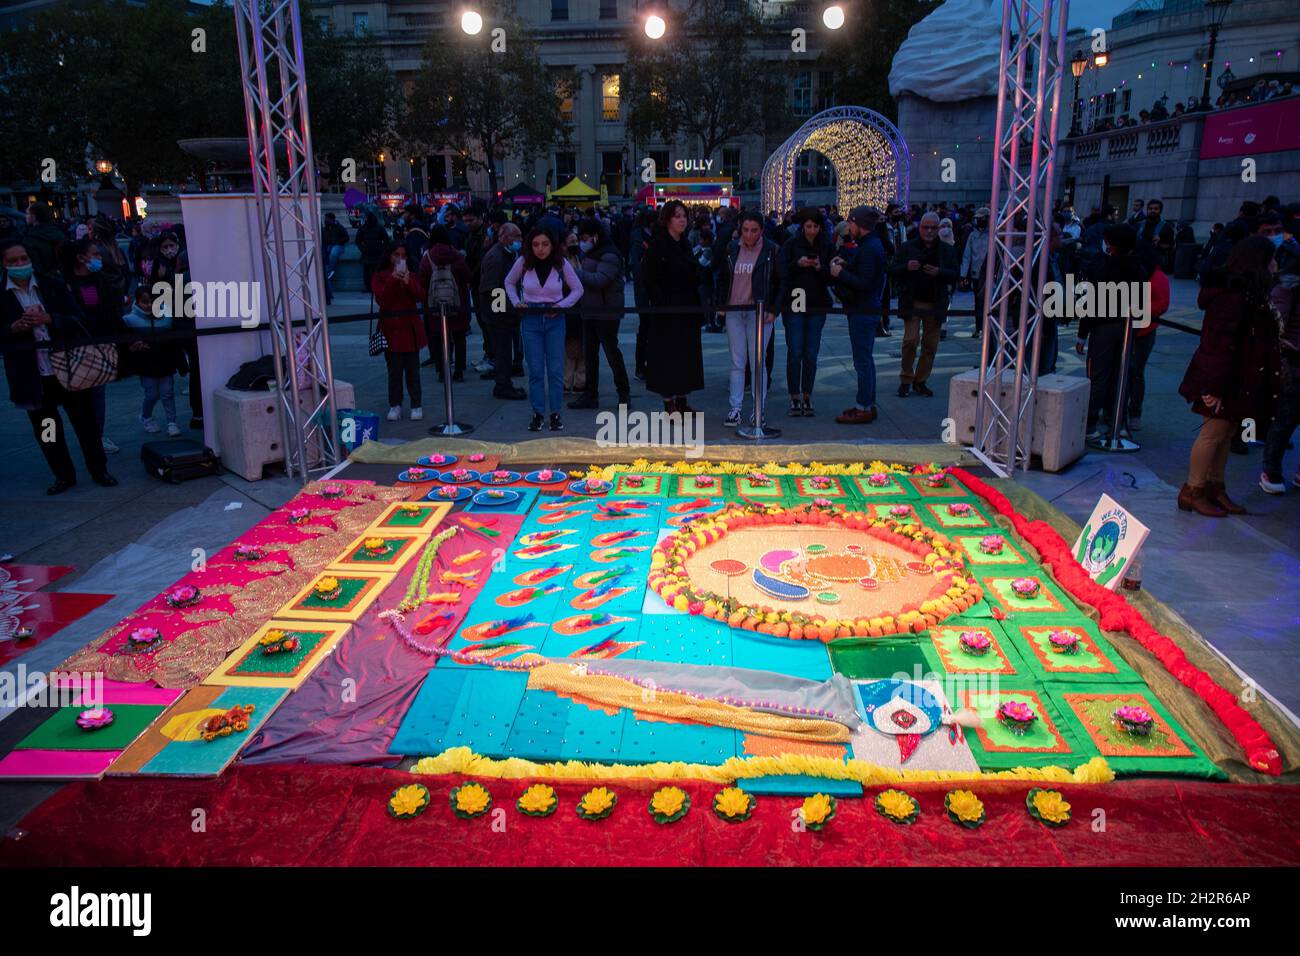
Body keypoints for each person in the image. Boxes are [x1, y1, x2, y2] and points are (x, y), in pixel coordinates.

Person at [1, 239, 117, 493]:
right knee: (47, 429)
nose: (20, 264)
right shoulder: (3, 295)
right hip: (33, 375)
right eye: (13, 261)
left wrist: (50, 318)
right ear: (4, 264)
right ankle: (63, 474)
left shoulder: (50, 285)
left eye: (23, 259)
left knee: (85, 423)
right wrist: (14, 328)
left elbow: (78, 319)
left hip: (68, 367)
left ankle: (99, 469)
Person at [1178, 235, 1282, 515]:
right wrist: (1214, 388)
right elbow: (1218, 343)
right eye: (1272, 258)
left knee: (1227, 431)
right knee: (1214, 432)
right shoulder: (1232, 296)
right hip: (1224, 378)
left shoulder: (1248, 292)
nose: (1276, 264)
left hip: (1239, 377)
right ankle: (1194, 489)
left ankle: (1214, 486)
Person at [503, 227, 584, 431]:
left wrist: (561, 305)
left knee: (556, 371)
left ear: (552, 245)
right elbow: (509, 282)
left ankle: (555, 413)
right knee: (536, 371)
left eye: (545, 244)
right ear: (530, 246)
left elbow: (578, 289)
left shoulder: (561, 263)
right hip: (531, 319)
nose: (540, 249)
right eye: (536, 244)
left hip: (555, 319)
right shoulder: (523, 262)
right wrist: (516, 301)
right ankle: (538, 414)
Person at [1077, 224, 1145, 440]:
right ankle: (1117, 421)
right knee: (1120, 376)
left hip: (1103, 327)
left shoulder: (1103, 267)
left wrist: (1082, 333)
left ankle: (1089, 425)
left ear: (1113, 244)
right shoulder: (1138, 268)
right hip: (1126, 327)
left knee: (1098, 376)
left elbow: (1092, 302)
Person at [62, 238, 126, 455]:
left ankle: (97, 435)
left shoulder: (100, 280)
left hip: (102, 343)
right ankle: (89, 436)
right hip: (78, 346)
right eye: (95, 254)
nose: (98, 258)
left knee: (98, 393)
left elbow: (110, 310)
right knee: (82, 397)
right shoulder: (66, 284)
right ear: (80, 258)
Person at [716, 209, 779, 427]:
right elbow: (723, 278)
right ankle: (735, 408)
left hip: (759, 312)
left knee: (757, 362)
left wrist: (774, 309)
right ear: (740, 230)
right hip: (734, 311)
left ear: (762, 230)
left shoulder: (771, 250)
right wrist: (721, 304)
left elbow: (780, 282)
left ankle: (757, 409)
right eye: (745, 230)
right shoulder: (732, 248)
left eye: (754, 231)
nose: (749, 235)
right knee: (737, 361)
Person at [640, 200, 704, 414]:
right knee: (667, 357)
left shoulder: (684, 243)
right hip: (666, 311)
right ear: (668, 219)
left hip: (686, 309)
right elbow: (649, 279)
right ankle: (669, 402)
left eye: (684, 215)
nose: (682, 220)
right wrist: (661, 304)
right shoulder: (658, 245)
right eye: (677, 216)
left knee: (685, 356)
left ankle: (682, 400)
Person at [889, 211, 958, 397]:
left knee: (930, 345)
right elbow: (893, 270)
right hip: (912, 302)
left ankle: (920, 380)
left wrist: (939, 272)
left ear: (938, 229)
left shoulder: (946, 250)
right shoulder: (907, 247)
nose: (928, 231)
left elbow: (955, 273)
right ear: (919, 228)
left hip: (935, 304)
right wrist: (906, 267)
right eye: (925, 227)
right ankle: (905, 379)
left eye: (932, 228)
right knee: (910, 341)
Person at [830, 206, 888, 424]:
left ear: (859, 224)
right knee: (866, 360)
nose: (848, 227)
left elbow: (864, 284)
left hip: (863, 310)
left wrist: (840, 273)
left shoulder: (869, 248)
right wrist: (848, 265)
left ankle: (863, 406)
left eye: (851, 223)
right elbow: (867, 275)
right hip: (866, 309)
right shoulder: (870, 245)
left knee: (862, 361)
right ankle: (866, 404)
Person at [569, 218, 630, 410]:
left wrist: (575, 273)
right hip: (590, 310)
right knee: (590, 355)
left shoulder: (610, 254)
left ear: (595, 236)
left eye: (585, 238)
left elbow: (600, 280)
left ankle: (624, 393)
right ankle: (590, 395)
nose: (582, 242)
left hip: (606, 311)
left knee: (612, 353)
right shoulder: (593, 252)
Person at [777, 208, 833, 417]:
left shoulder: (826, 245)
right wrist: (797, 264)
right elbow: (781, 271)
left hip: (817, 302)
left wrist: (821, 268)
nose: (811, 231)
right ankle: (794, 395)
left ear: (820, 227)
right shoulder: (791, 244)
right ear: (803, 227)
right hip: (796, 301)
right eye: (808, 226)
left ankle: (807, 394)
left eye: (815, 227)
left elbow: (833, 273)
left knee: (811, 353)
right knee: (795, 352)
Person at [372, 244, 428, 422]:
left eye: (403, 255)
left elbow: (421, 295)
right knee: (394, 371)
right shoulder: (380, 276)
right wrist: (393, 280)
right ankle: (395, 404)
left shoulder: (411, 273)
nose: (400, 258)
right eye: (396, 254)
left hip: (410, 329)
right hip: (391, 329)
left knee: (413, 371)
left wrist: (408, 281)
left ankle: (416, 404)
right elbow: (382, 300)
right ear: (389, 256)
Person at [122, 285, 186, 436]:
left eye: (152, 301)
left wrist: (181, 364)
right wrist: (133, 346)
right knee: (152, 394)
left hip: (166, 362)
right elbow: (124, 343)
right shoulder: (129, 321)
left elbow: (175, 342)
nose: (149, 305)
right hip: (146, 365)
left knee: (167, 393)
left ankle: (172, 422)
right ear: (137, 302)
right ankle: (146, 417)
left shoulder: (168, 318)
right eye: (145, 302)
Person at [1261, 251, 1300, 493]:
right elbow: (1273, 322)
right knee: (1283, 421)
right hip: (1292, 366)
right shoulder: (1288, 289)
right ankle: (1270, 468)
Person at [478, 222, 527, 400]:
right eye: (517, 237)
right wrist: (506, 310)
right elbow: (491, 289)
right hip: (499, 315)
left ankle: (505, 383)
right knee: (503, 351)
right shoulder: (496, 257)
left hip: (504, 312)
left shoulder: (509, 254)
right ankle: (503, 385)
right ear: (505, 238)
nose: (520, 240)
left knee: (505, 351)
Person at [418, 225, 472, 383]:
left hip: (435, 305)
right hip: (457, 302)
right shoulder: (456, 255)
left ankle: (442, 370)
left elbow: (422, 281)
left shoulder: (427, 257)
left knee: (440, 338)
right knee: (459, 336)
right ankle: (459, 370)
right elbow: (468, 276)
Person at [1126, 246, 1170, 430]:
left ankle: (1135, 412)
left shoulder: (1158, 277)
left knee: (1136, 372)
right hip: (1126, 327)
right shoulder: (1132, 271)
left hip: (1144, 330)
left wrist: (1138, 310)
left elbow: (1161, 304)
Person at [960, 206, 991, 337]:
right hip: (976, 273)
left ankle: (988, 327)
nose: (978, 221)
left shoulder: (993, 234)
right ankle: (979, 328)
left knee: (989, 302)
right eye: (977, 219)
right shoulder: (972, 235)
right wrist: (963, 275)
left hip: (990, 274)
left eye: (981, 218)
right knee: (978, 302)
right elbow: (967, 256)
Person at [355, 212, 391, 304]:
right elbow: (386, 240)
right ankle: (372, 287)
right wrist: (382, 249)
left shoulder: (364, 228)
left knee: (370, 272)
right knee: (373, 272)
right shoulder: (378, 227)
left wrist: (363, 248)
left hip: (370, 252)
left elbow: (358, 240)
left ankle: (370, 288)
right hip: (373, 253)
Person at [21, 203, 65, 276]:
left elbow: (36, 269)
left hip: (46, 280)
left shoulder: (30, 240)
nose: (26, 216)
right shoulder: (59, 232)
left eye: (27, 214)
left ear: (34, 216)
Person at [321, 212, 349, 306]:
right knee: (327, 252)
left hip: (338, 245)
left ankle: (330, 269)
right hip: (329, 245)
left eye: (327, 219)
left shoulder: (339, 227)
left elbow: (346, 238)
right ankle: (328, 269)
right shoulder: (325, 229)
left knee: (333, 253)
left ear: (332, 219)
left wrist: (337, 241)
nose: (326, 221)